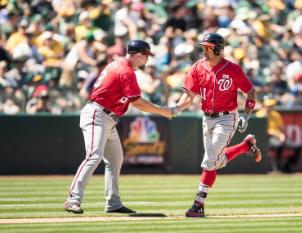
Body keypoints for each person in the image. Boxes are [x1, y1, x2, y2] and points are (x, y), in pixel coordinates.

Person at [64, 39, 173, 214]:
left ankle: (113, 203)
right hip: (97, 114)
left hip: (108, 118)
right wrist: (162, 111)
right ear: (139, 55)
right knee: (94, 156)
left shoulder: (119, 65)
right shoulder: (125, 71)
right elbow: (137, 102)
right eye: (146, 56)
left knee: (115, 160)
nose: (147, 60)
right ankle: (72, 199)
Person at [170, 33, 262, 217]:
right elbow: (189, 96)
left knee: (209, 161)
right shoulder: (197, 67)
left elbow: (250, 91)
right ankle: (246, 146)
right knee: (216, 160)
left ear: (219, 49)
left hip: (227, 118)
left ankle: (198, 204)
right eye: (203, 46)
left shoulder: (233, 69)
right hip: (207, 117)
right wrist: (177, 108)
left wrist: (247, 114)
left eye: (208, 47)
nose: (204, 50)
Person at [256, 96, 302, 173]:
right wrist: (278, 135)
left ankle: (287, 167)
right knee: (278, 146)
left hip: (279, 136)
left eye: (271, 105)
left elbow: (282, 128)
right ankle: (277, 169)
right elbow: (265, 131)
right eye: (268, 105)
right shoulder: (259, 115)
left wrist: (283, 135)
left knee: (298, 146)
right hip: (268, 138)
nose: (270, 107)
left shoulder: (276, 114)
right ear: (263, 105)